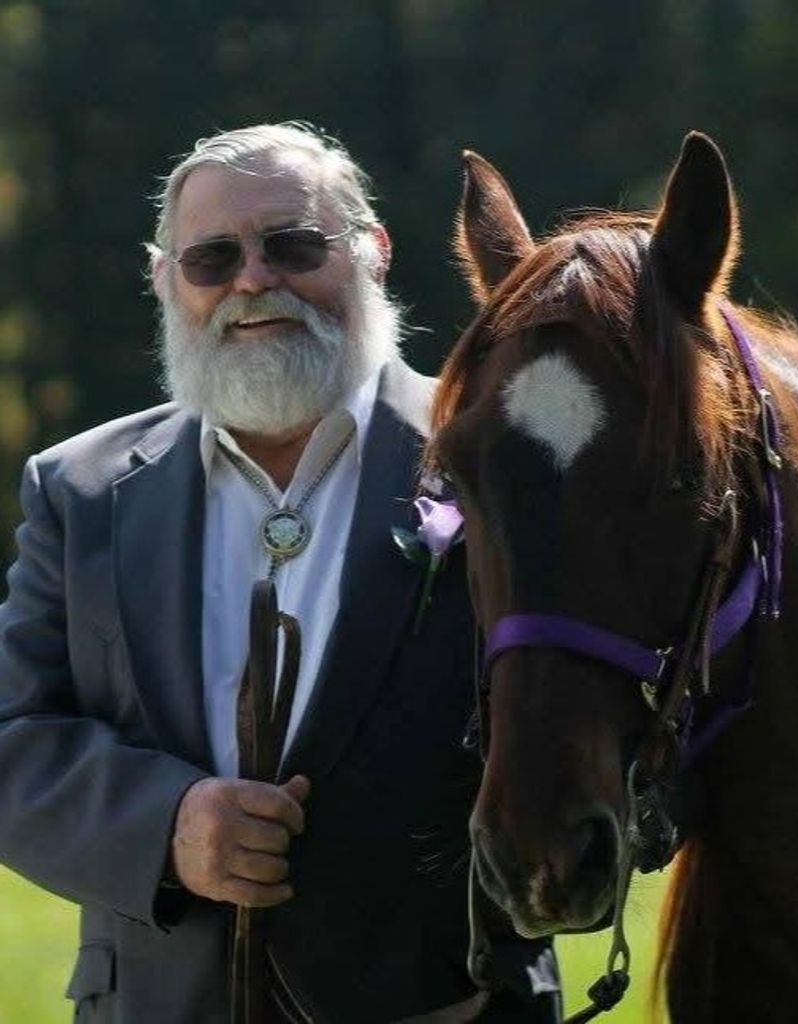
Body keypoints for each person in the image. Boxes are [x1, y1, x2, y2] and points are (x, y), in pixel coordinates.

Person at [0, 123, 560, 1023]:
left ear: (374, 253)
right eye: (211, 258)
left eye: (294, 245)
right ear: (163, 279)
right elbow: (13, 734)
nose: (253, 280)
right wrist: (164, 827)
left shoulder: (506, 463)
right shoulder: (78, 489)